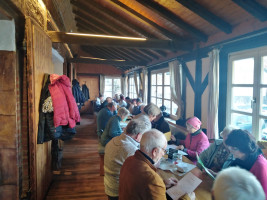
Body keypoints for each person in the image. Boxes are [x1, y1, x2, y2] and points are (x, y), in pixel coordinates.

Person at [119, 129, 193, 200]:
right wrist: (187, 198)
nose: (163, 153)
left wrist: (162, 184)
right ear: (155, 151)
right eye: (163, 150)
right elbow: (149, 181)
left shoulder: (129, 160)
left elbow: (140, 186)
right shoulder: (153, 179)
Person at [104, 118, 152, 200]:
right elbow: (143, 175)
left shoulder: (114, 140)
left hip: (109, 185)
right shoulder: (132, 150)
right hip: (119, 191)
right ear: (139, 136)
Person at [225, 129, 267, 196]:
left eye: (234, 149)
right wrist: (216, 175)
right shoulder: (241, 158)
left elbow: (262, 196)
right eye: (230, 148)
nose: (231, 151)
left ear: (244, 148)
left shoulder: (260, 165)